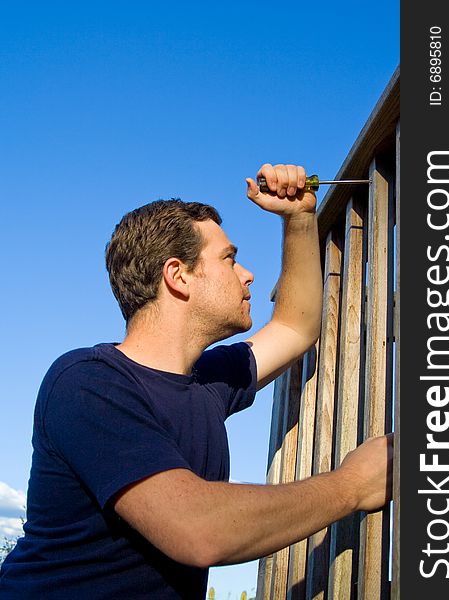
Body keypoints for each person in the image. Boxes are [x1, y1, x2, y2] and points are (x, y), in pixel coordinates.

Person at [0, 164, 393, 599]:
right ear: (178, 275)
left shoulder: (207, 382)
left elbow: (295, 328)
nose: (248, 275)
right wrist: (352, 486)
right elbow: (198, 530)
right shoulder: (86, 382)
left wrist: (299, 219)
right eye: (229, 258)